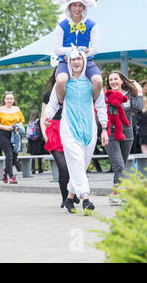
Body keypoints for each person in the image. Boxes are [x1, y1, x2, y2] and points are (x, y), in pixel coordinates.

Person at [43, 49, 108, 214]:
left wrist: (104, 128)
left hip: (89, 129)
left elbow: (101, 106)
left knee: (81, 164)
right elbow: (53, 103)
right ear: (69, 63)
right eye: (73, 60)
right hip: (69, 128)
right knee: (77, 161)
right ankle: (85, 198)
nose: (76, 62)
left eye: (79, 59)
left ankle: (70, 198)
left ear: (84, 61)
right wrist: (47, 116)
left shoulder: (92, 83)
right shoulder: (63, 84)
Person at [41, 69, 80, 208]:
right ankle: (65, 198)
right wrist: (46, 135)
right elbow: (43, 116)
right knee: (63, 167)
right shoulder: (48, 95)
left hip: (70, 129)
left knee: (73, 166)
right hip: (54, 131)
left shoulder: (74, 92)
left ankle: (72, 193)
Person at [103, 71, 143, 206]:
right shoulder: (106, 97)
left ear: (121, 81)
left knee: (121, 166)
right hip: (110, 135)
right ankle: (123, 194)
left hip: (127, 135)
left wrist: (139, 91)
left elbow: (138, 107)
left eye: (115, 79)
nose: (113, 82)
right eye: (110, 80)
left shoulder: (130, 95)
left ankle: (114, 195)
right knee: (119, 165)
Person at [54, 0, 102, 103]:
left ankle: (90, 103)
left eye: (80, 5)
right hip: (65, 61)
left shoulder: (92, 25)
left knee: (98, 81)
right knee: (61, 81)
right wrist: (73, 52)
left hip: (86, 61)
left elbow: (95, 48)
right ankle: (62, 103)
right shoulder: (61, 26)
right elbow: (56, 49)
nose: (77, 8)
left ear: (84, 7)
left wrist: (83, 54)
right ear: (69, 6)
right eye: (74, 5)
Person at [0, 91, 25, 184]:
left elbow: (22, 121)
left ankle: (5, 171)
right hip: (4, 134)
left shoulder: (17, 109)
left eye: (11, 98)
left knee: (14, 157)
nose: (9, 100)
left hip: (15, 134)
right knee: (9, 156)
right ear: (4, 100)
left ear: (13, 100)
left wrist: (18, 126)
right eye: (7, 98)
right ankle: (12, 177)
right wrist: (5, 127)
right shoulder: (0, 110)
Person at [26, 109, 45, 174]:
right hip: (38, 141)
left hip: (31, 141)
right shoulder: (39, 121)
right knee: (39, 156)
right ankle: (40, 168)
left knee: (33, 156)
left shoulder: (30, 122)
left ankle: (33, 169)